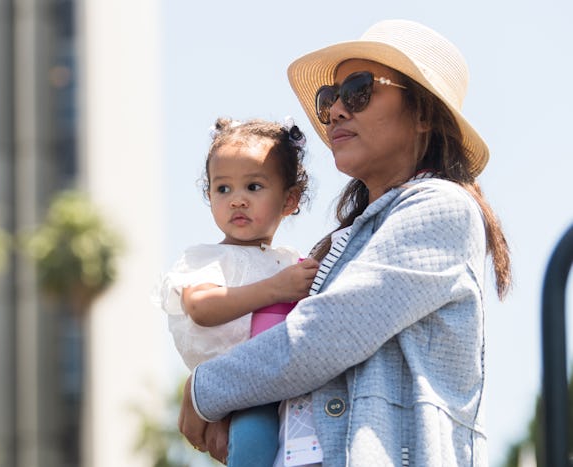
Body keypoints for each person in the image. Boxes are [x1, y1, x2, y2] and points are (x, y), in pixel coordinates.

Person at [178, 19, 511, 467]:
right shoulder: (346, 239)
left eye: (359, 90)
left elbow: (326, 334)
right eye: (329, 98)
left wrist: (204, 390)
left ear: (424, 114)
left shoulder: (440, 207)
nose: (336, 110)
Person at [156, 117, 321, 466]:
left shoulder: (290, 261)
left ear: (290, 200)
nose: (237, 201)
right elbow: (201, 306)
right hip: (238, 390)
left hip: (288, 384)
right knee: (254, 442)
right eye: (223, 189)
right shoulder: (208, 257)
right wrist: (277, 288)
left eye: (254, 187)